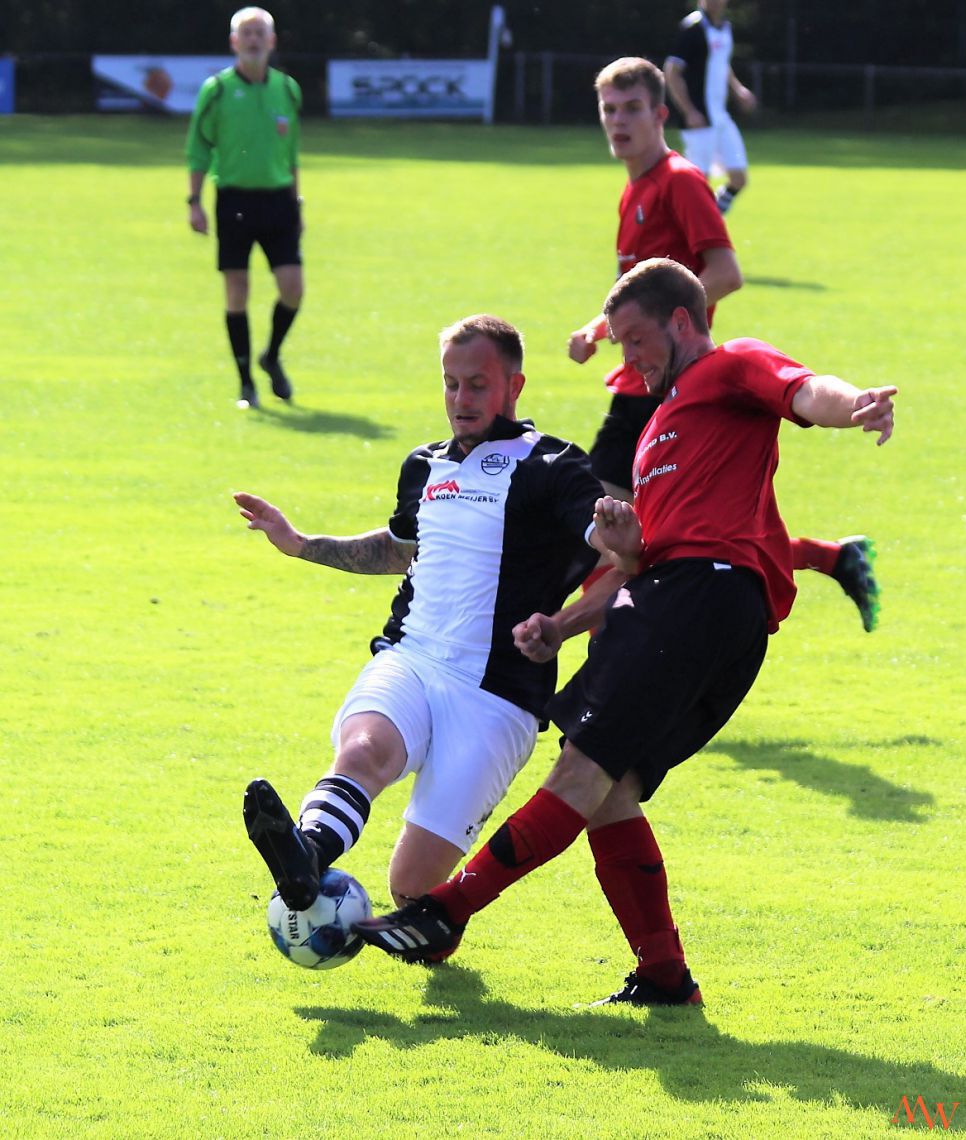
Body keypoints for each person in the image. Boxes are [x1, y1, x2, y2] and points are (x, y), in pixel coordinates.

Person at [354, 258, 899, 1004]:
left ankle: (443, 911)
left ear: (680, 320)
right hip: (701, 612)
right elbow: (639, 566)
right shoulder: (657, 431)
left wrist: (855, 404)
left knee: (580, 772)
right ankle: (664, 975)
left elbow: (804, 391)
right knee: (610, 792)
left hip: (699, 598)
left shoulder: (729, 365)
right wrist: (562, 623)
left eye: (636, 340)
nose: (629, 359)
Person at [236, 315, 611, 920]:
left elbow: (620, 554)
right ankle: (306, 858)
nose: (461, 399)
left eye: (478, 385)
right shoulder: (424, 465)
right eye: (451, 384)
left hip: (498, 695)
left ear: (514, 386)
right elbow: (398, 550)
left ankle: (403, 917)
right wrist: (301, 544)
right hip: (410, 657)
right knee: (364, 751)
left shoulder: (552, 465)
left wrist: (575, 604)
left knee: (412, 890)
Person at [567, 56, 879, 631]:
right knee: (648, 528)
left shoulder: (680, 182)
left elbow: (726, 273)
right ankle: (831, 557)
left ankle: (610, 644)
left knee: (608, 530)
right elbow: (641, 293)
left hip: (668, 383)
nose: (619, 121)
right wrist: (601, 327)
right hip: (643, 379)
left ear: (661, 114)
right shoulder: (633, 191)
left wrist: (665, 327)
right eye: (609, 109)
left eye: (632, 108)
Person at [185, 7, 303, 409]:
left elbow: (291, 153)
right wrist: (194, 201)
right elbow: (198, 148)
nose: (253, 40)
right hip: (234, 199)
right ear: (234, 42)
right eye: (246, 33)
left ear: (272, 41)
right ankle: (245, 382)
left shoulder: (287, 89)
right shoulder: (217, 90)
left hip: (279, 199)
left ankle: (271, 355)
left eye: (260, 33)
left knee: (293, 288)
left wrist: (297, 202)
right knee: (237, 289)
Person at [664, 0, 756, 215]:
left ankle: (710, 217)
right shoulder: (692, 28)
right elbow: (672, 71)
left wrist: (738, 90)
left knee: (739, 179)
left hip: (721, 117)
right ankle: (687, 223)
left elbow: (721, 63)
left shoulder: (725, 27)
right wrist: (689, 111)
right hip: (699, 119)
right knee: (697, 182)